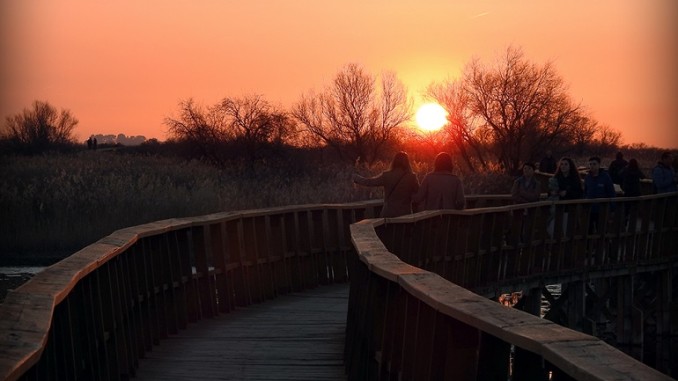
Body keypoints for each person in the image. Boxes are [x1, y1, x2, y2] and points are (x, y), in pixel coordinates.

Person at [353, 151, 419, 217]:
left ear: (394, 161)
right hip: (405, 215)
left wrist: (356, 178)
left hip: (388, 214)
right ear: (407, 162)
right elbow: (419, 194)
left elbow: (369, 182)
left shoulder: (387, 175)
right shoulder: (412, 177)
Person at [584, 156, 616, 234]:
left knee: (601, 231)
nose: (592, 166)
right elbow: (585, 191)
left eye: (594, 164)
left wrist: (612, 209)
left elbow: (611, 192)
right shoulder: (587, 177)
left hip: (601, 209)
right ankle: (589, 245)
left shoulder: (605, 177)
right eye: (590, 164)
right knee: (588, 231)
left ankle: (601, 245)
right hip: (590, 209)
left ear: (599, 165)